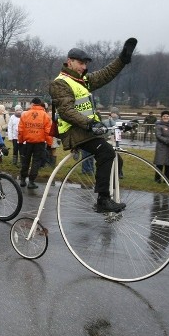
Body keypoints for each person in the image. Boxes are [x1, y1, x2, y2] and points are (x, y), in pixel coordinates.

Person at [48, 38, 137, 213]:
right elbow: (66, 110)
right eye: (81, 63)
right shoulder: (60, 83)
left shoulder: (82, 80)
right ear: (69, 62)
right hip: (74, 132)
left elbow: (105, 74)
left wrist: (122, 60)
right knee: (106, 152)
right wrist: (90, 124)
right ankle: (103, 200)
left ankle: (108, 195)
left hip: (87, 130)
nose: (84, 67)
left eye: (86, 64)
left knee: (114, 158)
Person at [17, 98, 53, 189]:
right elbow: (48, 132)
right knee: (36, 162)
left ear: (32, 104)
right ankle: (31, 181)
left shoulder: (25, 114)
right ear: (40, 104)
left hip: (27, 142)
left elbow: (21, 130)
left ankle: (22, 179)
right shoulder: (45, 116)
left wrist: (20, 142)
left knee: (25, 161)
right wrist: (49, 144)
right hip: (39, 142)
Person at [153, 110, 169, 182]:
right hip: (162, 147)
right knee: (160, 163)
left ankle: (167, 179)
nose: (165, 117)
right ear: (161, 117)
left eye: (167, 116)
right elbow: (158, 136)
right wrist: (167, 141)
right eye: (164, 116)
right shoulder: (158, 125)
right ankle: (157, 178)